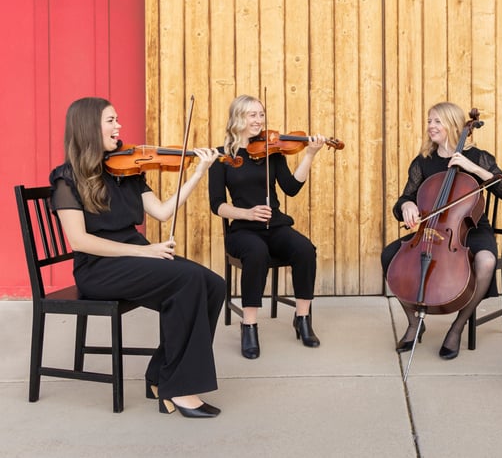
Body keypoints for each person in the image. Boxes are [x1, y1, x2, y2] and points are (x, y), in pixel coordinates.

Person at [50, 97, 226, 418]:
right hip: (99, 268)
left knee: (212, 284)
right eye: (110, 121)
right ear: (89, 127)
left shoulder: (126, 170)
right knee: (187, 280)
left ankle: (160, 376)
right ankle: (181, 388)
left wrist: (198, 173)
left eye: (117, 120)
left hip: (136, 259)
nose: (119, 126)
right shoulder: (67, 179)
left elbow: (161, 212)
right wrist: (144, 250)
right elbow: (80, 240)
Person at [381, 101, 502, 359]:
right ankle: (414, 323)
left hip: (472, 230)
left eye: (437, 121)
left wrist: (474, 169)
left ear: (454, 125)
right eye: (429, 121)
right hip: (431, 230)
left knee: (486, 261)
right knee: (390, 257)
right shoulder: (423, 162)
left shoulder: (478, 157)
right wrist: (408, 205)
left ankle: (457, 327)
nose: (430, 126)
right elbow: (402, 200)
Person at [208, 94, 327, 359]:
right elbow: (217, 205)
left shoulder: (272, 152)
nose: (259, 120)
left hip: (275, 225)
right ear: (237, 118)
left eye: (261, 114)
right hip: (242, 230)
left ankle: (303, 318)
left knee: (305, 249)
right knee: (256, 253)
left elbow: (291, 188)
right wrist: (247, 214)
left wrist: (309, 155)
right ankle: (249, 324)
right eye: (252, 115)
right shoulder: (221, 157)